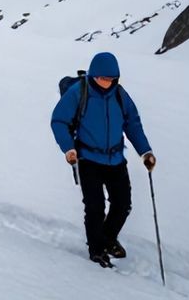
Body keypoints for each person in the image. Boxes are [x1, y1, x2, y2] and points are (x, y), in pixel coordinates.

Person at [50, 51, 156, 268]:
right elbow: (59, 120)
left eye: (111, 79)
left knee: (123, 204)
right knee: (95, 207)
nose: (107, 83)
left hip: (116, 158)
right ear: (94, 75)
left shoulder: (120, 94)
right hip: (88, 158)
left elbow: (132, 124)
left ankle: (107, 238)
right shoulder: (79, 92)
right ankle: (96, 249)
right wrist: (68, 148)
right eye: (103, 78)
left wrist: (145, 151)